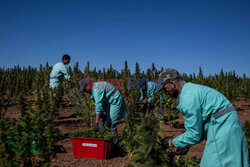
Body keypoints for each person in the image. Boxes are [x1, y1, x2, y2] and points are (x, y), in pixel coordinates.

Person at [155, 68, 249, 167]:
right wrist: (185, 144)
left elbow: (195, 134)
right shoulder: (190, 89)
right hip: (226, 125)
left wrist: (170, 143)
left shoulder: (187, 98)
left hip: (222, 129)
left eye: (165, 89)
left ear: (172, 83)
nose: (165, 93)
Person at [79, 78, 127, 146]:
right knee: (101, 119)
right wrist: (98, 122)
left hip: (115, 101)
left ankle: (115, 145)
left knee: (111, 124)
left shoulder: (96, 90)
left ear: (88, 85)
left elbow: (98, 106)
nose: (84, 91)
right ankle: (102, 140)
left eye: (84, 89)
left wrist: (96, 123)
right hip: (107, 103)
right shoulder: (94, 88)